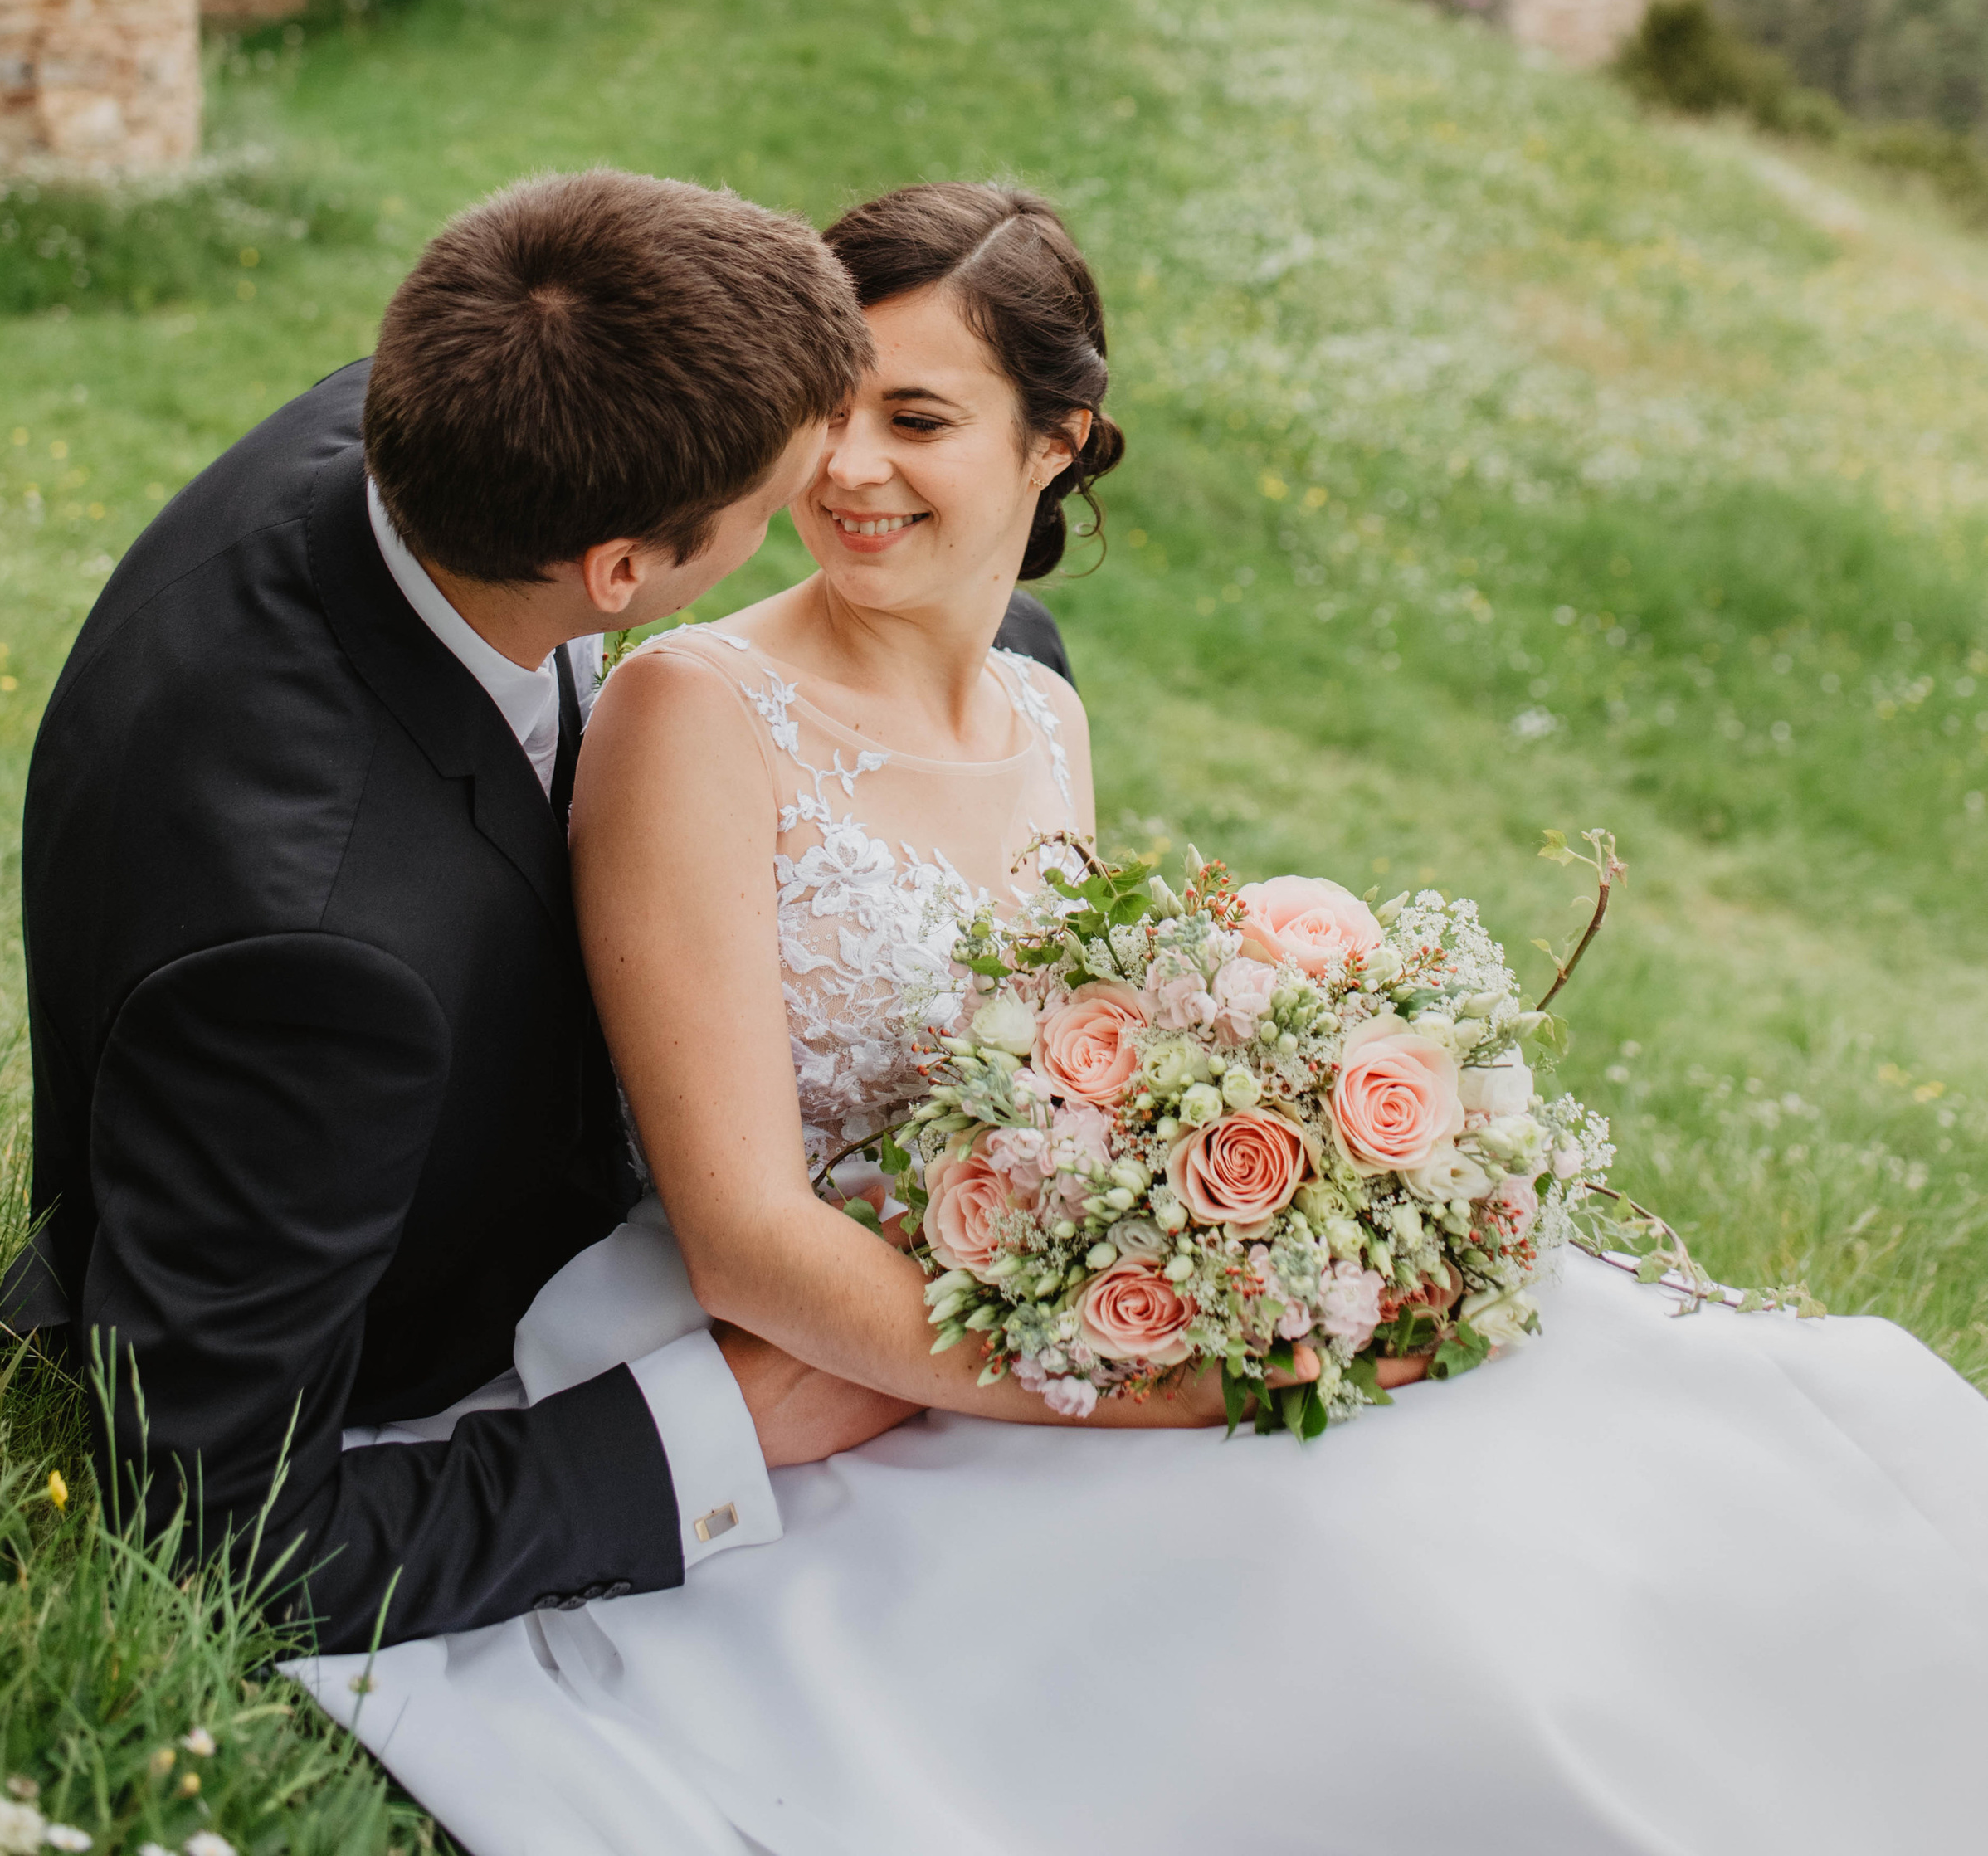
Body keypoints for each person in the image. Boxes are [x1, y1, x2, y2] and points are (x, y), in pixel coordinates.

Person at [301, 177, 1988, 1854]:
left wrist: (1266, 1221)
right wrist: (1141, 1379)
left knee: (1713, 1452)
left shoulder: (1040, 710)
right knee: (1408, 1604)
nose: (845, 467)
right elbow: (742, 1232)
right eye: (824, 413)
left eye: (915, 416)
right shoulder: (692, 711)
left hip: (1067, 1291)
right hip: (838, 1354)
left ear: (1055, 444)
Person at [7, 168, 1066, 1654]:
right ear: (625, 571)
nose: (834, 480)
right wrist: (709, 1425)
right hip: (431, 1314)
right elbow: (215, 1535)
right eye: (780, 485)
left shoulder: (449, 413)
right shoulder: (319, 949)